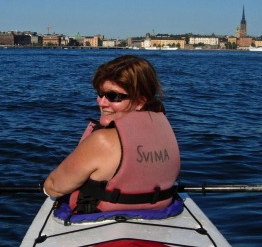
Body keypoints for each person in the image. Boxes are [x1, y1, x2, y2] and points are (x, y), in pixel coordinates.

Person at [43, 55, 180, 214]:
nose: (101, 102)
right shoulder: (164, 129)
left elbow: (54, 186)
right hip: (160, 214)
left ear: (141, 101)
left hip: (97, 220)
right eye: (100, 94)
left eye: (113, 96)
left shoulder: (103, 141)